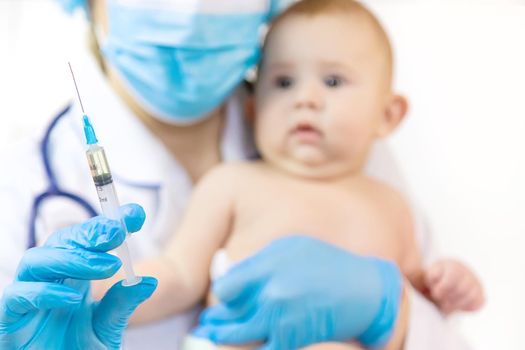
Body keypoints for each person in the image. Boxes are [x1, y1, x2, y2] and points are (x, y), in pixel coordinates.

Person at [0, 0, 474, 349]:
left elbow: (425, 292)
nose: (190, 11)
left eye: (332, 81)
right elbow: (179, 275)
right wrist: (91, 298)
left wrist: (403, 307)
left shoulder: (355, 160)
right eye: (285, 82)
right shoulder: (22, 183)